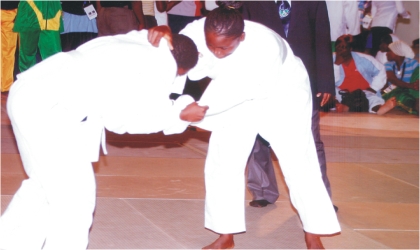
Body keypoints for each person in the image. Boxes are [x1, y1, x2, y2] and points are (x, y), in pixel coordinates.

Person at [148, 1, 340, 248]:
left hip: (283, 96)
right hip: (234, 91)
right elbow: (177, 54)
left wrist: (196, 111)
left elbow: (237, 91)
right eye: (211, 46)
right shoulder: (199, 29)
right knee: (223, 160)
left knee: (299, 161)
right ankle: (225, 234)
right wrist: (166, 36)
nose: (217, 53)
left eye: (224, 48)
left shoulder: (265, 46)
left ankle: (314, 233)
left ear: (242, 37)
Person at [0, 31, 208, 250]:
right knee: (76, 199)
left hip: (31, 92)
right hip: (49, 109)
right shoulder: (160, 64)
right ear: (180, 68)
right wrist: (178, 116)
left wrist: (159, 30)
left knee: (45, 186)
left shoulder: (141, 41)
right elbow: (124, 119)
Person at [241, 0, 336, 210]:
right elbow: (244, 39)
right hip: (263, 77)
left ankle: (319, 196)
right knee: (259, 138)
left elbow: (322, 38)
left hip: (304, 78)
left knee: (311, 139)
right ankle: (263, 190)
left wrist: (325, 82)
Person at [333, 34, 396, 115]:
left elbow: (381, 70)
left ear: (350, 49)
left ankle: (378, 108)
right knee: (331, 94)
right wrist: (336, 64)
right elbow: (330, 81)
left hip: (363, 92)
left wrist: (373, 88)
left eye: (344, 47)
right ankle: (343, 106)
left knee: (371, 99)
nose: (340, 50)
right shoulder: (331, 60)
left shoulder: (364, 59)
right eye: (338, 47)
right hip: (342, 92)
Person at [13, 0, 63, 72]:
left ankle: (53, 82)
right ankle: (28, 82)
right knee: (27, 56)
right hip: (29, 11)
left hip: (51, 11)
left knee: (54, 57)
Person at [382, 40, 419, 114]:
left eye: (389, 51)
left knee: (407, 96)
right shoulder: (388, 64)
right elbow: (392, 79)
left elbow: (418, 75)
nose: (387, 54)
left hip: (409, 91)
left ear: (397, 53)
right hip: (391, 90)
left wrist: (417, 84)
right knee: (398, 95)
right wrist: (410, 86)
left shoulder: (412, 63)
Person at [1, 0, 19, 93]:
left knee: (9, 50)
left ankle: (6, 85)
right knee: (8, 51)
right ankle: (5, 86)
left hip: (11, 12)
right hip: (11, 11)